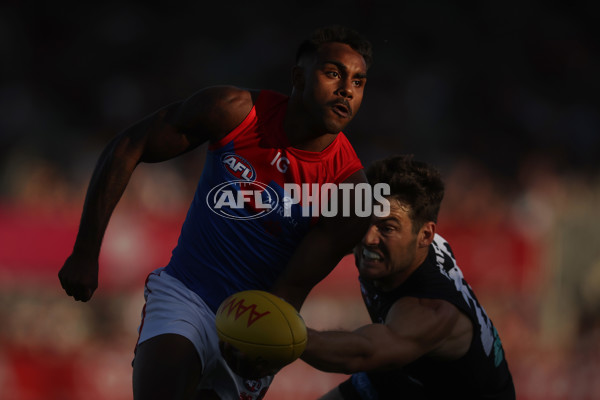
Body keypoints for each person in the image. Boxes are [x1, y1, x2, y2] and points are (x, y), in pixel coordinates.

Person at [58, 25, 373, 400]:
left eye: (359, 81)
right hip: (185, 296)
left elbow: (292, 288)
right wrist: (85, 251)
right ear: (298, 77)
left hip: (252, 320)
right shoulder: (234, 111)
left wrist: (264, 347)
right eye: (333, 73)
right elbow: (129, 144)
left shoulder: (352, 192)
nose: (346, 90)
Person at [301, 155, 516, 399]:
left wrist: (288, 336)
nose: (368, 238)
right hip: (406, 377)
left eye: (387, 227)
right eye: (364, 222)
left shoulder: (432, 310)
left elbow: (360, 354)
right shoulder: (395, 245)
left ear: (425, 235)